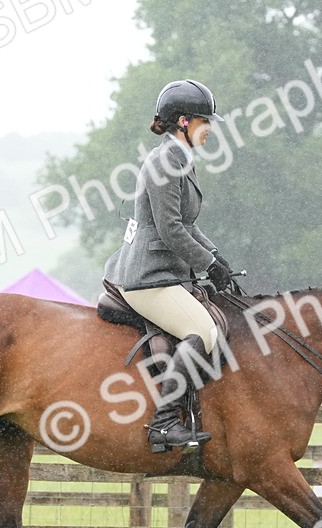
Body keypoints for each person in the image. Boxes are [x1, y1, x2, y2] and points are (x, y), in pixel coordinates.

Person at [102, 79, 233, 453]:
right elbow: (170, 229)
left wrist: (216, 257)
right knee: (203, 331)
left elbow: (188, 224)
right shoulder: (164, 162)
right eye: (205, 122)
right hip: (147, 276)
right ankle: (162, 424)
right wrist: (207, 263)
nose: (210, 129)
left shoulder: (180, 160)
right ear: (183, 122)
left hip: (166, 272)